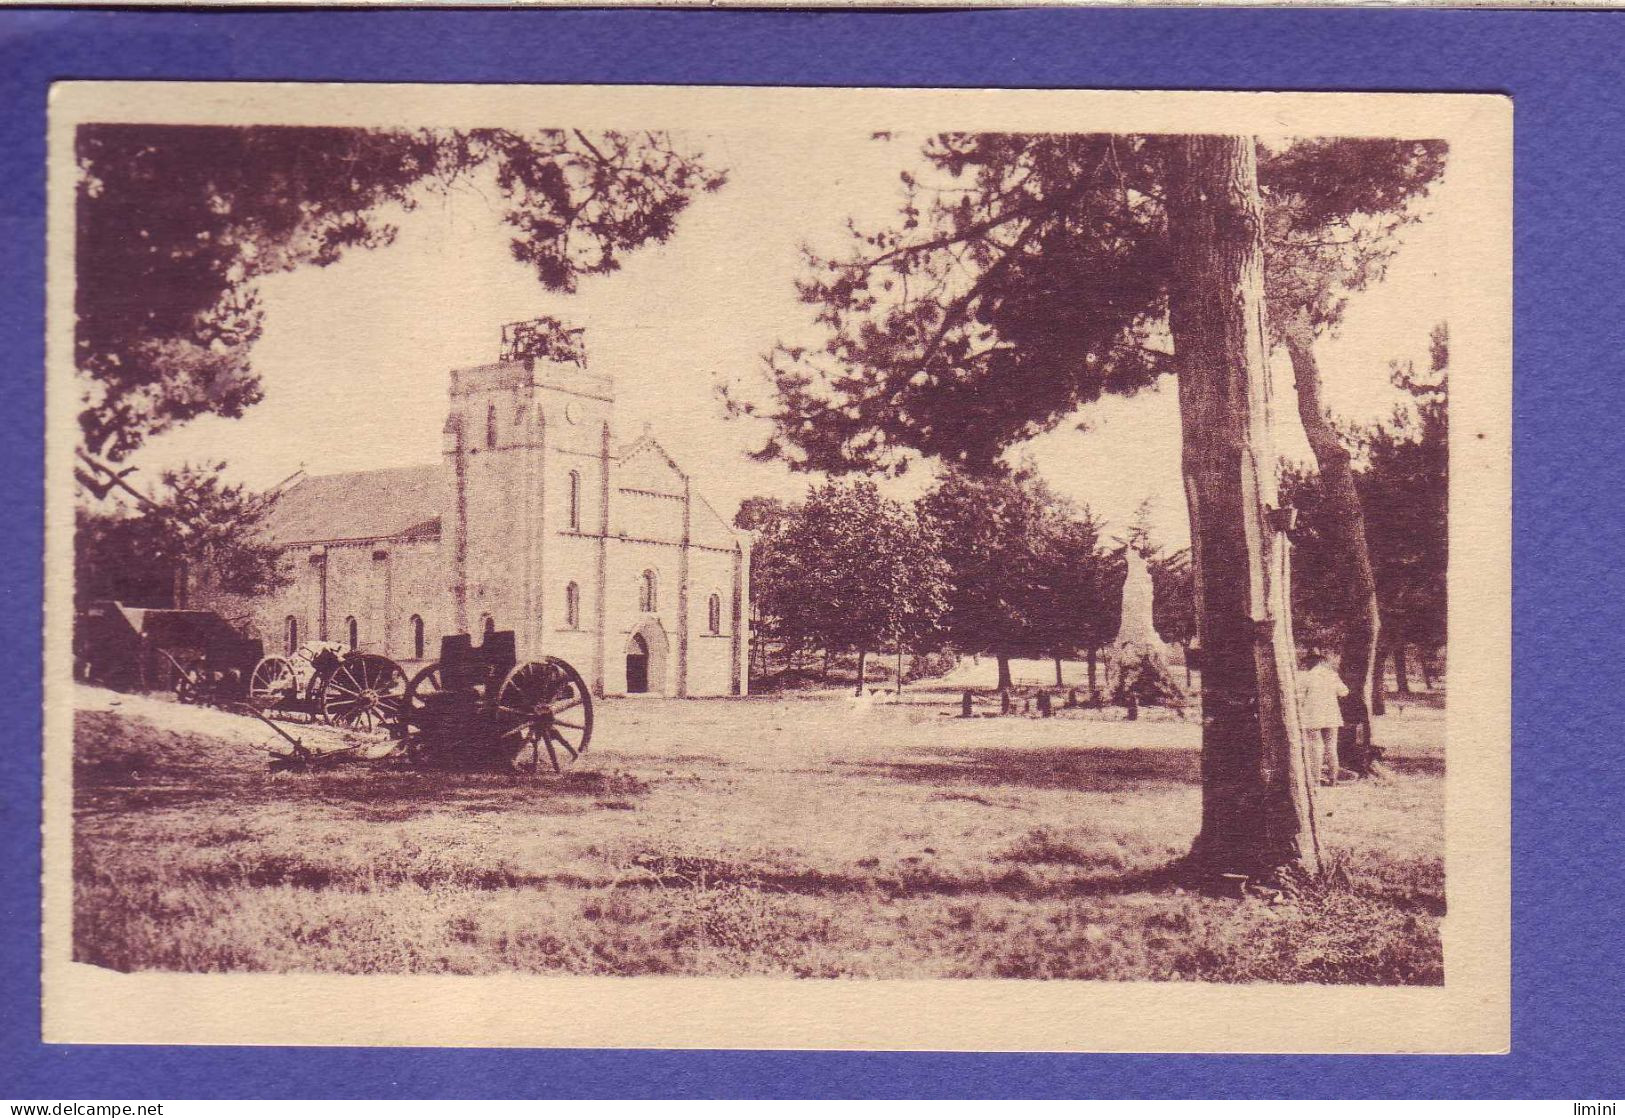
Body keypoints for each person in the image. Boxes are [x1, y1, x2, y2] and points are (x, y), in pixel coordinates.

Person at [1298, 651, 1349, 785]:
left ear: (1310, 662)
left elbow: (1299, 697)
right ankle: (1333, 778)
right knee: (1331, 747)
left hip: (1312, 716)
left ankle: (1315, 780)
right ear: (1321, 661)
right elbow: (1344, 692)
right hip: (1331, 715)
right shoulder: (1332, 675)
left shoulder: (1306, 677)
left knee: (1315, 747)